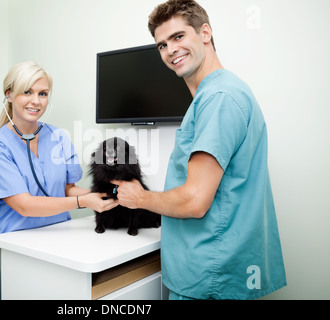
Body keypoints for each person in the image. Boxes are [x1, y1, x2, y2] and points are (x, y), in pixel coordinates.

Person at [111, 0, 286, 300]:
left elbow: (195, 200)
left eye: (179, 37)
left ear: (205, 33)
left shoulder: (218, 98)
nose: (170, 50)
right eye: (162, 45)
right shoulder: (221, 92)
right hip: (220, 271)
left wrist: (139, 197)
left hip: (209, 278)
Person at [0, 61, 117, 300]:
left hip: (57, 245)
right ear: (9, 95)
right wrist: (84, 203)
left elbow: (67, 190)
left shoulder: (59, 137)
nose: (36, 101)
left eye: (43, 94)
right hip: (14, 249)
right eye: (27, 92)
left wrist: (106, 193)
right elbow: (24, 205)